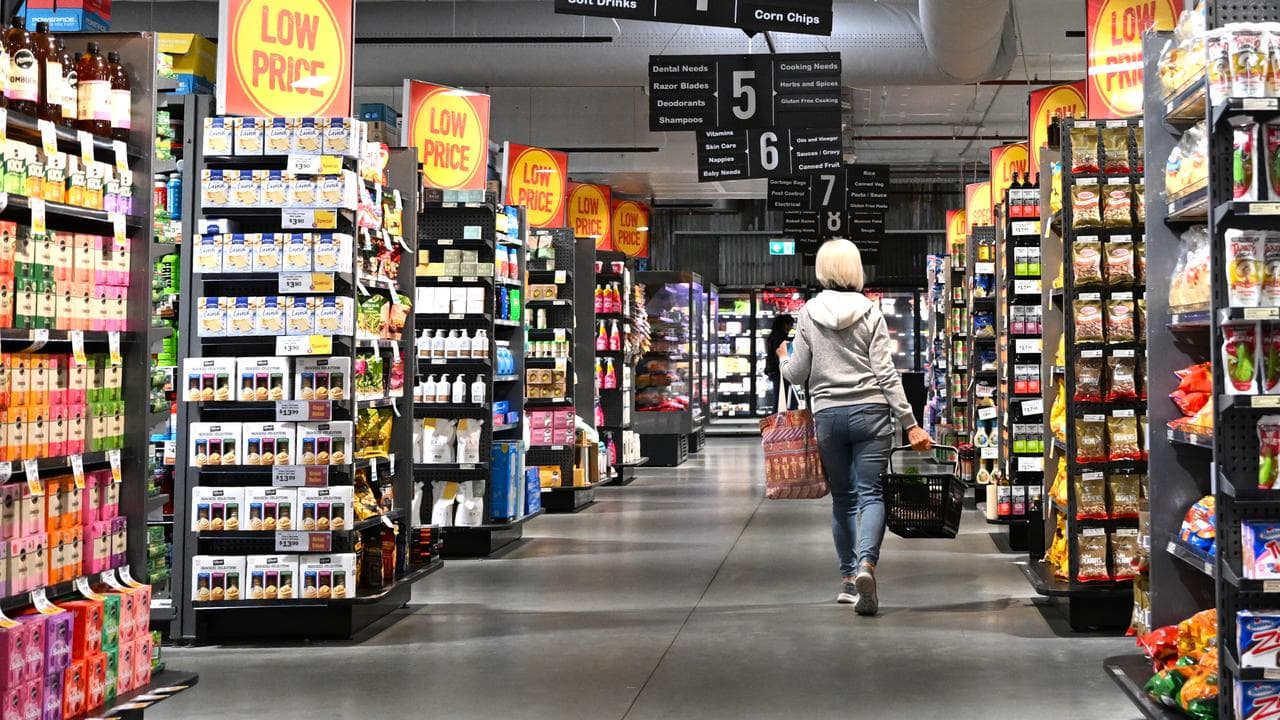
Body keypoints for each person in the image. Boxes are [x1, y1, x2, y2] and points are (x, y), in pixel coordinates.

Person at [777, 238, 932, 616]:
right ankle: (867, 565)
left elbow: (797, 373)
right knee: (872, 496)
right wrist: (910, 423)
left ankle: (848, 580)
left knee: (843, 500)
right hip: (872, 414)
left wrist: (785, 357)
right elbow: (886, 373)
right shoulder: (870, 312)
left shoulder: (809, 313)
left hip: (828, 416)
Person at [763, 314, 795, 409]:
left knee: (780, 398)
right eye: (790, 324)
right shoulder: (780, 337)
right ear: (785, 324)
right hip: (779, 371)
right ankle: (777, 421)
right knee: (782, 399)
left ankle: (778, 420)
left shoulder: (774, 335)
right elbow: (781, 354)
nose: (791, 327)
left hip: (774, 370)